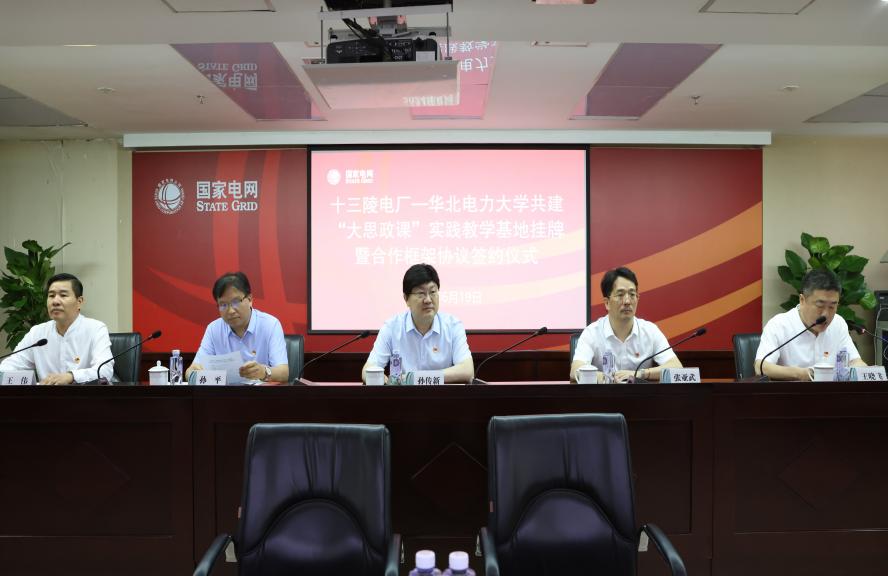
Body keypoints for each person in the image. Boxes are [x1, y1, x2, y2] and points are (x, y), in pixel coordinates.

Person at [362, 263, 474, 384]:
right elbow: (367, 370)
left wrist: (414, 378)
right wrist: (381, 380)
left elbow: (467, 371)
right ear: (406, 298)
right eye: (421, 294)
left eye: (433, 292)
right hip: (403, 395)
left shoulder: (453, 326)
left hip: (442, 395)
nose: (428, 300)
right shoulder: (392, 327)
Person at [570, 267, 682, 383]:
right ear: (607, 303)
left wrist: (640, 374)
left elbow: (676, 367)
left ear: (637, 299)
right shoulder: (592, 332)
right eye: (620, 295)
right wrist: (607, 378)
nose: (627, 301)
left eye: (632, 294)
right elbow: (575, 371)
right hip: (603, 394)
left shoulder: (650, 331)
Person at [0, 272, 114, 385]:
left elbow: (104, 371)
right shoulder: (37, 333)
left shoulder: (95, 329)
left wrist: (71, 376)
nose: (55, 301)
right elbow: (9, 366)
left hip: (84, 396)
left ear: (79, 302)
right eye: (51, 296)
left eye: (63, 295)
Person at [755, 268, 865, 380]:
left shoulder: (838, 323)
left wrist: (864, 371)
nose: (826, 314)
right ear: (802, 300)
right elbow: (761, 367)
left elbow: (855, 361)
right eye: (820, 305)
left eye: (832, 306)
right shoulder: (779, 325)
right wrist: (801, 374)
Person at [185, 272, 289, 383]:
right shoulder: (213, 329)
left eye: (235, 302)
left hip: (260, 393)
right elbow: (190, 372)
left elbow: (284, 373)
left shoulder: (270, 325)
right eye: (223, 305)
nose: (230, 311)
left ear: (250, 299)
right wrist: (193, 373)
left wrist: (263, 372)